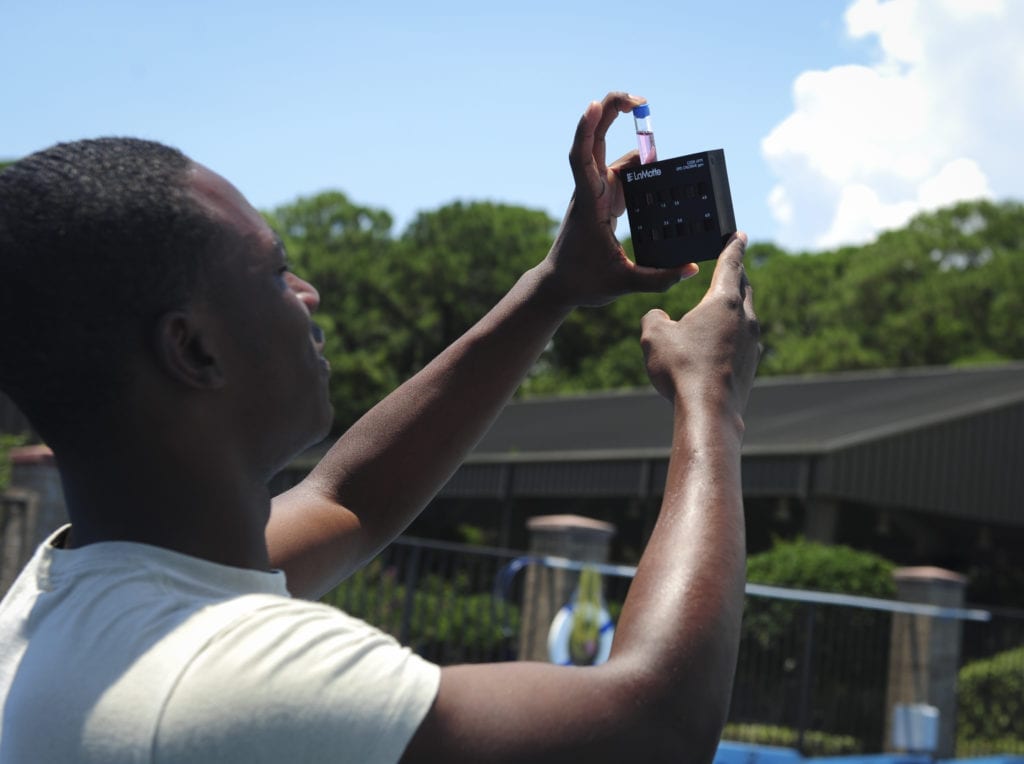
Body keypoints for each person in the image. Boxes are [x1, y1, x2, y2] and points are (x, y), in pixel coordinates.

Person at [0, 92, 760, 763]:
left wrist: (554, 286)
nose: (309, 293)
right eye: (275, 271)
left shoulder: (54, 607)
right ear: (193, 348)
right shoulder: (230, 682)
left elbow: (350, 500)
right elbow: (659, 726)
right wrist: (711, 404)